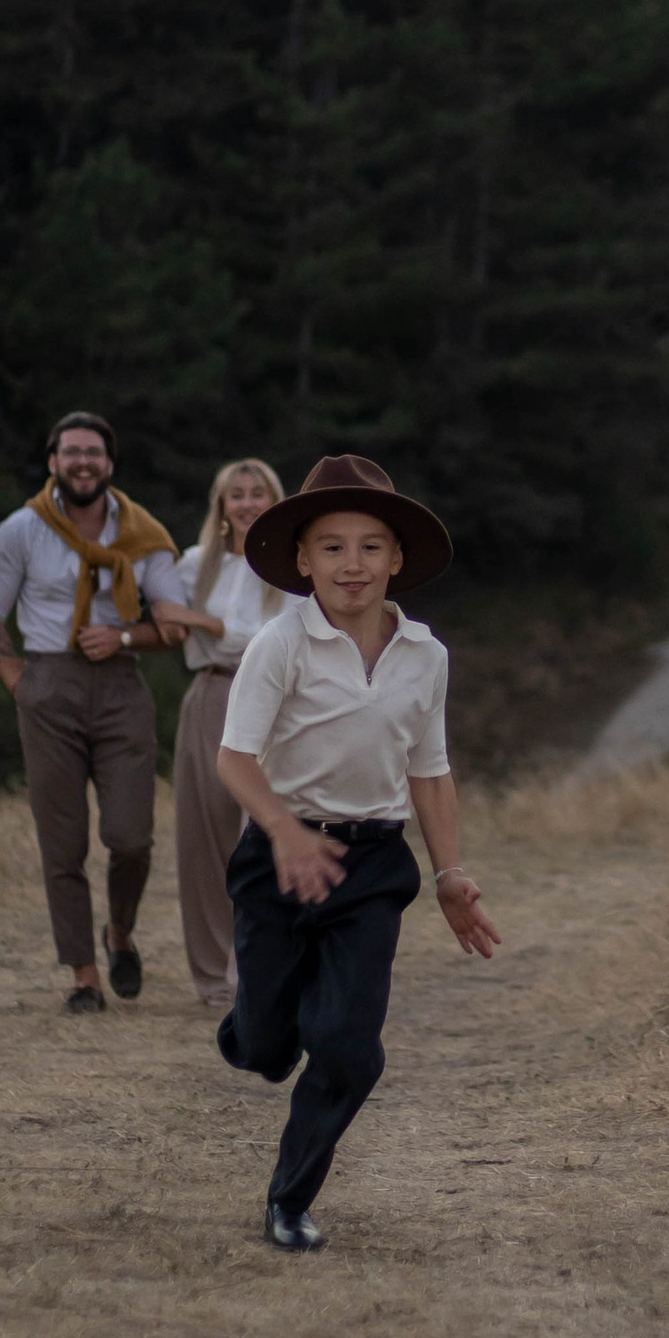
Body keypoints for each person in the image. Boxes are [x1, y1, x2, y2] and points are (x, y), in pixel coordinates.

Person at [213, 453, 500, 1251]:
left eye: (371, 545)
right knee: (269, 1047)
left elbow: (430, 770)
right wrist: (287, 832)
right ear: (302, 560)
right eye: (332, 546)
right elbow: (234, 758)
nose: (353, 563)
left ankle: (289, 1199)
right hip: (277, 855)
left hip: (372, 867)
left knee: (347, 1047)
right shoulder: (281, 643)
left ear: (398, 557)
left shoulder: (426, 654)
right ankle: (254, 1028)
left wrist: (450, 875)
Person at [0, 410, 195, 1014]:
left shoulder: (144, 533)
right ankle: (85, 977)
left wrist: (123, 638)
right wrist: (20, 682)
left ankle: (119, 933)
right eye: (71, 452)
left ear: (110, 464)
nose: (83, 462)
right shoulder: (21, 530)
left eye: (93, 452)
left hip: (121, 687)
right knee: (61, 843)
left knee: (131, 838)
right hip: (47, 683)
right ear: (53, 463)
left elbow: (172, 624)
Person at [168, 458, 285, 1009]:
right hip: (213, 693)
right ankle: (213, 977)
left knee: (264, 835)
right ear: (221, 506)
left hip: (277, 702)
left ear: (273, 499)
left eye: (256, 493)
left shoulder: (293, 566)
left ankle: (264, 967)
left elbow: (278, 637)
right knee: (205, 839)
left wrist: (212, 625)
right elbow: (160, 609)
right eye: (235, 494)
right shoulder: (194, 566)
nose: (246, 503)